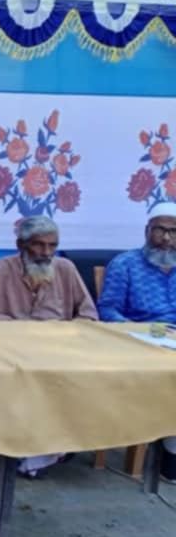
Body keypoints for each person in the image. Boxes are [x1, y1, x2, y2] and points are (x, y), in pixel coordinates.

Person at [0, 215, 98, 478]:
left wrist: (65, 332)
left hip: (56, 349)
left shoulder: (66, 269)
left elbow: (89, 314)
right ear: (21, 245)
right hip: (11, 349)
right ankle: (36, 449)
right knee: (28, 378)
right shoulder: (1, 269)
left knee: (76, 376)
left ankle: (49, 447)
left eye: (52, 245)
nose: (46, 253)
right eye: (39, 245)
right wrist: (13, 325)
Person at [97, 201, 176, 481]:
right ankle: (171, 454)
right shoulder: (125, 265)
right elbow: (107, 310)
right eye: (160, 230)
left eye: (174, 232)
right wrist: (139, 330)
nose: (166, 238)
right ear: (147, 231)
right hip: (139, 340)